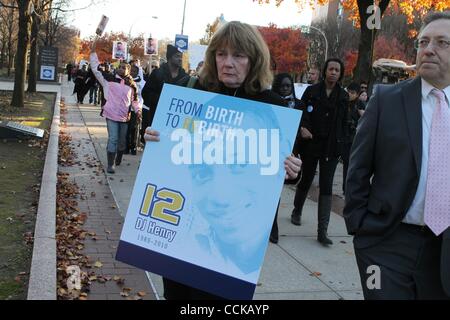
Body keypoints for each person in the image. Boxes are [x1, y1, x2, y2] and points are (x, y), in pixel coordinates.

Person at [144, 21, 302, 300]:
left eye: (238, 55)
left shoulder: (272, 106)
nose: (228, 63)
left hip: (234, 250)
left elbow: (284, 162)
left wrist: (293, 169)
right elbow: (178, 148)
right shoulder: (193, 96)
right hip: (183, 236)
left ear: (254, 60)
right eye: (221, 54)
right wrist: (157, 138)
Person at [344, 11, 450, 300]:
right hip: (387, 242)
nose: (428, 49)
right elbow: (358, 168)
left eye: (442, 42)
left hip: (444, 251)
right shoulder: (387, 100)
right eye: (423, 42)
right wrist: (359, 226)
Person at [290, 58, 349, 247]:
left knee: (326, 186)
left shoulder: (343, 96)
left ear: (340, 74)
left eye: (337, 70)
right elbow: (302, 112)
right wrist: (303, 127)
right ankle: (296, 210)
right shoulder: (312, 91)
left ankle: (322, 231)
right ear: (325, 71)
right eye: (330, 69)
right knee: (306, 178)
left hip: (331, 148)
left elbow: (345, 123)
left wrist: (342, 147)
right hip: (311, 144)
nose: (333, 72)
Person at [90, 39, 142, 174]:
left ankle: (119, 156)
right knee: (113, 138)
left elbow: (135, 101)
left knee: (122, 141)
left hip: (124, 117)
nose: (121, 69)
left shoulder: (132, 85)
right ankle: (110, 164)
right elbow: (95, 70)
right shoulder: (108, 79)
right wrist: (92, 53)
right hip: (111, 114)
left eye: (125, 68)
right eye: (120, 67)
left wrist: (138, 110)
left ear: (129, 71)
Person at [269, 73, 305, 243]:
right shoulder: (270, 102)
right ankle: (270, 224)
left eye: (288, 86)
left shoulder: (298, 105)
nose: (285, 89)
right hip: (271, 149)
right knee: (270, 191)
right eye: (282, 86)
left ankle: (272, 225)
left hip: (289, 152)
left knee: (276, 191)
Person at [141, 44, 188, 145]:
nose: (180, 59)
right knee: (155, 146)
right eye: (177, 56)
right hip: (157, 117)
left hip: (176, 122)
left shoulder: (185, 77)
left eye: (181, 56)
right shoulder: (157, 74)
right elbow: (146, 93)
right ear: (169, 58)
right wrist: (162, 100)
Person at [342, 82, 365, 194]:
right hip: (341, 135)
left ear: (357, 94)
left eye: (352, 93)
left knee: (348, 164)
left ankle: (346, 187)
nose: (350, 95)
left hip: (352, 138)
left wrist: (361, 113)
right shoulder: (343, 102)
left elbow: (366, 119)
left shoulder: (360, 104)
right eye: (349, 92)